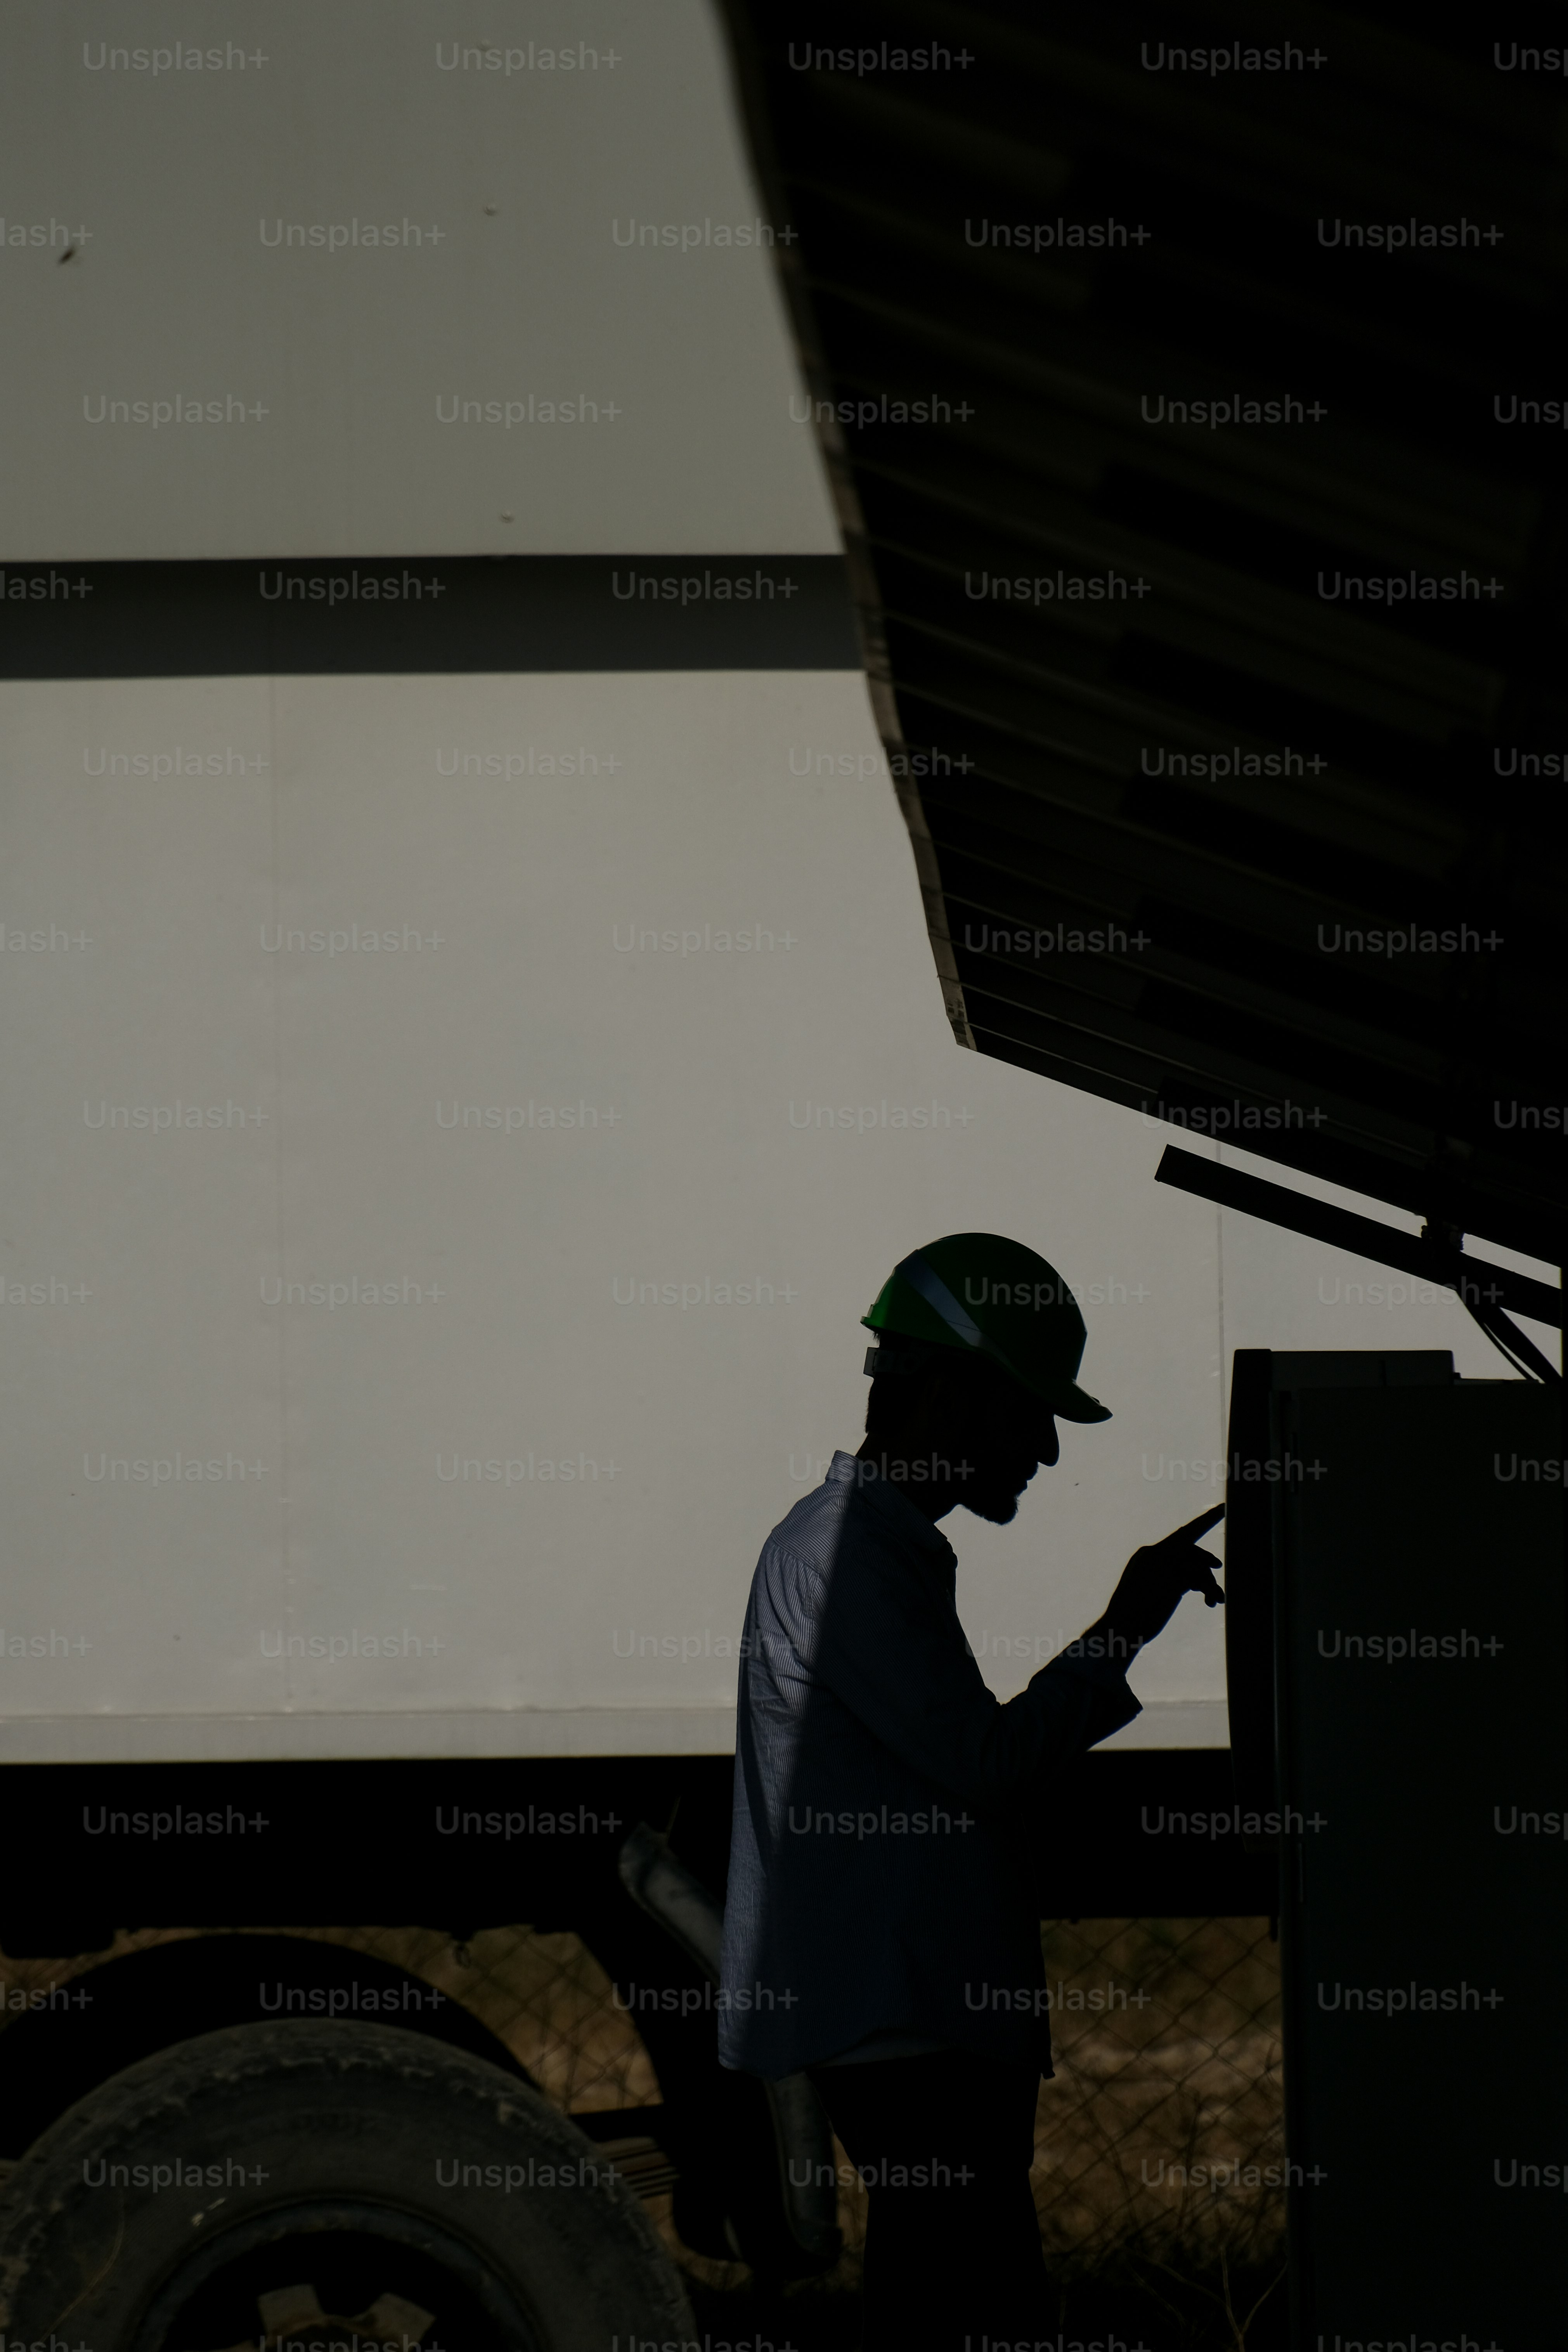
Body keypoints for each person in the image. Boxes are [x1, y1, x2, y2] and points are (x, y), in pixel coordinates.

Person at [717, 1232, 1224, 2352]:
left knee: (949, 2307)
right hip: (905, 2028)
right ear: (947, 1396)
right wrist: (1123, 1631)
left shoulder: (867, 1547)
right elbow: (988, 1766)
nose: (1045, 1447)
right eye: (1028, 1411)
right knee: (974, 2310)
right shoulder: (844, 1557)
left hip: (912, 2023)